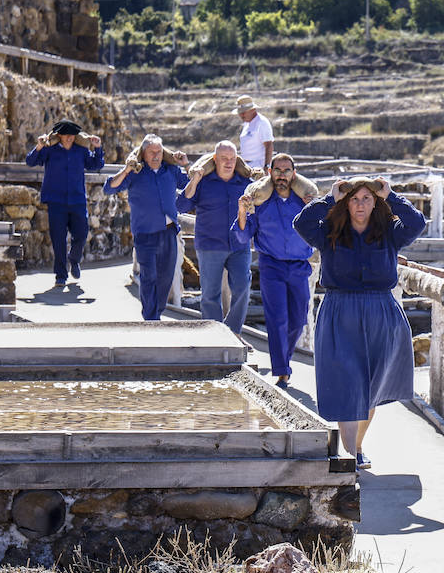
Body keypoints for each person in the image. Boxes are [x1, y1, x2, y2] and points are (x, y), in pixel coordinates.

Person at [292, 176, 426, 468]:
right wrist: (330, 198)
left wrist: (391, 195)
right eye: (354, 198)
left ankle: (357, 446)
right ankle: (350, 457)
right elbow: (301, 223)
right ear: (346, 203)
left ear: (375, 202)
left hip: (381, 312)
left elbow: (417, 224)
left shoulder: (390, 232)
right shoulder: (329, 231)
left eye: (367, 198)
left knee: (370, 389)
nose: (361, 204)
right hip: (340, 311)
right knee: (347, 384)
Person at [235, 154, 316, 388]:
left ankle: (284, 361)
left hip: (300, 266)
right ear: (270, 172)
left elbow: (322, 228)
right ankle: (282, 372)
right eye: (277, 170)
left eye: (286, 170)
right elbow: (242, 234)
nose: (282, 175)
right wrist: (242, 210)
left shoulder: (304, 202)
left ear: (294, 173)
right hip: (272, 266)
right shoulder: (261, 202)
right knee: (277, 318)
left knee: (298, 320)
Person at [104, 135, 189, 321]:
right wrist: (125, 170)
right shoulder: (135, 173)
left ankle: (155, 314)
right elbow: (109, 187)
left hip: (168, 232)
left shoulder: (171, 170)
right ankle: (151, 319)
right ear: (144, 153)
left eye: (159, 151)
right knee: (149, 277)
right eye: (152, 152)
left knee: (165, 278)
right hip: (145, 234)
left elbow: (191, 184)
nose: (156, 155)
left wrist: (186, 165)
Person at [177, 141, 253, 334]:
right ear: (214, 160)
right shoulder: (203, 182)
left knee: (243, 288)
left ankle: (233, 332)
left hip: (239, 245)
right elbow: (182, 206)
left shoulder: (246, 184)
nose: (228, 163)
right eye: (223, 159)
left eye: (232, 159)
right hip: (210, 245)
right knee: (210, 295)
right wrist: (194, 180)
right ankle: (214, 336)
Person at [25, 119, 104, 287]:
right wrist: (39, 146)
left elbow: (96, 164)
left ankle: (74, 259)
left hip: (77, 200)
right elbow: (30, 161)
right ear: (59, 135)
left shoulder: (81, 151)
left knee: (82, 234)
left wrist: (97, 148)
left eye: (72, 135)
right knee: (58, 239)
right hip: (56, 202)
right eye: (66, 135)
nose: (69, 138)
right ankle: (60, 275)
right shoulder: (49, 150)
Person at [236, 95, 274, 170]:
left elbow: (269, 145)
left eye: (244, 112)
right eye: (240, 112)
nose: (241, 115)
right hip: (247, 166)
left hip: (258, 166)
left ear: (253, 110)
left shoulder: (261, 123)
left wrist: (266, 166)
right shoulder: (247, 124)